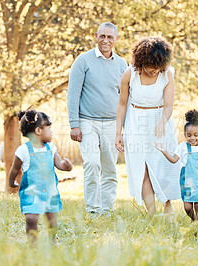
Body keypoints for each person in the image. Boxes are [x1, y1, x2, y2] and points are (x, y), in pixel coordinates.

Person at [67, 22, 128, 217]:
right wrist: (74, 124)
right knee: (92, 163)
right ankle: (92, 209)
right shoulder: (83, 61)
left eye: (110, 37)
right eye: (102, 36)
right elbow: (73, 94)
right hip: (87, 122)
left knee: (110, 168)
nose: (106, 40)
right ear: (96, 36)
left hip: (112, 123)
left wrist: (123, 129)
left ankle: (106, 210)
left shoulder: (121, 64)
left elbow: (125, 98)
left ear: (116, 39)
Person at [115, 36, 181, 215]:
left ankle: (168, 207)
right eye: (151, 68)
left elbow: (168, 105)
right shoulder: (130, 74)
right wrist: (118, 133)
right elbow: (121, 105)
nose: (154, 72)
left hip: (160, 121)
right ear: (142, 62)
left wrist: (162, 122)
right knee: (140, 167)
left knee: (163, 165)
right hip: (135, 122)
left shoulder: (167, 74)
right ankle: (152, 213)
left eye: (157, 68)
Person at [9, 110, 73, 243]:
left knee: (52, 220)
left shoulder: (51, 148)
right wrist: (11, 181)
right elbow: (14, 169)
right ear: (38, 131)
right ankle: (33, 244)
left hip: (50, 193)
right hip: (31, 193)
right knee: (31, 219)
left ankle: (52, 240)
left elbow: (59, 164)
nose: (52, 131)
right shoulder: (24, 150)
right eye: (49, 127)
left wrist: (67, 166)